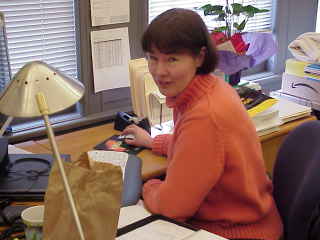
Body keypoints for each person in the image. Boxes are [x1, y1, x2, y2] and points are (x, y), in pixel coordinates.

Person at [122, 8, 283, 240]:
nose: (159, 71)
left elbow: (172, 207)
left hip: (236, 232)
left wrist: (145, 186)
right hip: (244, 220)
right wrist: (152, 142)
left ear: (199, 57)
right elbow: (195, 149)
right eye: (152, 58)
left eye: (172, 59)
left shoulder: (204, 114)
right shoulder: (210, 88)